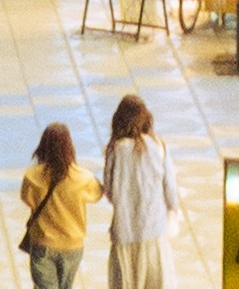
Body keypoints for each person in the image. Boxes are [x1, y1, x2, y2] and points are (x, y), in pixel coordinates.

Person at [99, 100, 175, 289]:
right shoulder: (158, 146)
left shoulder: (115, 149)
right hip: (154, 231)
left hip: (124, 231)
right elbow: (170, 189)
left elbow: (109, 191)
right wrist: (173, 211)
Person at [17, 125, 93, 283]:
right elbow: (97, 194)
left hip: (43, 243)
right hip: (73, 244)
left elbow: (26, 198)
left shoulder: (32, 176)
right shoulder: (83, 178)